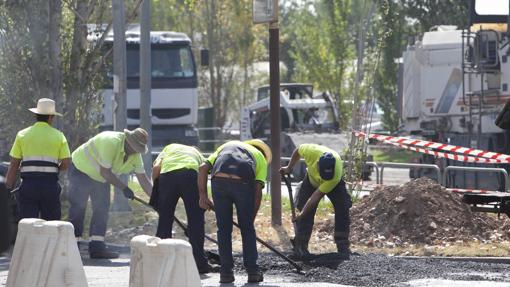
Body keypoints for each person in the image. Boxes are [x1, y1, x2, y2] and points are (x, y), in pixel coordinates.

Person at [68, 128, 152, 259]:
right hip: (81, 169)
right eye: (134, 147)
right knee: (79, 208)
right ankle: (72, 247)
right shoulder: (111, 142)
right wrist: (124, 188)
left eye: (138, 149)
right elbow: (105, 172)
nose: (135, 151)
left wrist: (156, 200)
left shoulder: (135, 155)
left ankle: (97, 248)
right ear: (128, 141)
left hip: (100, 177)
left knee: (102, 209)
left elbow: (143, 180)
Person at [198, 139, 271, 284]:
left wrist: (203, 196)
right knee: (247, 230)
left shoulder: (226, 145)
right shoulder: (260, 158)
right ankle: (253, 272)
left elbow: (202, 167)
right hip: (242, 183)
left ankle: (226, 273)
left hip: (219, 180)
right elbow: (257, 191)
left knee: (223, 230)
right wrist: (250, 219)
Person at [280, 143, 352, 259]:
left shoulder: (335, 175)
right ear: (318, 164)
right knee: (304, 209)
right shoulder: (311, 152)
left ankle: (342, 246)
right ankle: (301, 246)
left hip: (334, 185)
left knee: (343, 207)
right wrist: (289, 167)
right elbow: (298, 150)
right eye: (323, 174)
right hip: (311, 180)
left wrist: (302, 214)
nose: (323, 178)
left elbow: (316, 196)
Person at [5, 98, 71, 220]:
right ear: (51, 117)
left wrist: (7, 187)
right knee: (52, 224)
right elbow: (66, 162)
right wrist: (55, 169)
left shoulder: (22, 134)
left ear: (36, 115)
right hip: (50, 187)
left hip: (28, 187)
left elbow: (14, 164)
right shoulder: (59, 136)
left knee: (27, 224)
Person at [150, 143, 210, 273]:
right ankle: (199, 263)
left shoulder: (169, 148)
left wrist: (156, 191)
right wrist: (204, 196)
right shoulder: (198, 154)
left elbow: (156, 168)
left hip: (167, 177)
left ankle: (162, 261)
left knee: (165, 220)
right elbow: (203, 174)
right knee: (196, 220)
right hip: (190, 176)